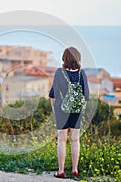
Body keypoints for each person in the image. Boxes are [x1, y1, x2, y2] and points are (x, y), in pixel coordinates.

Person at [49, 47, 89, 179]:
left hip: (61, 109)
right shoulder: (82, 73)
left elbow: (53, 94)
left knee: (61, 140)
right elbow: (86, 95)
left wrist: (55, 110)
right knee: (75, 140)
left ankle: (61, 171)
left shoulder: (59, 73)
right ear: (78, 58)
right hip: (77, 110)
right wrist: (80, 109)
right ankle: (75, 170)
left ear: (64, 58)